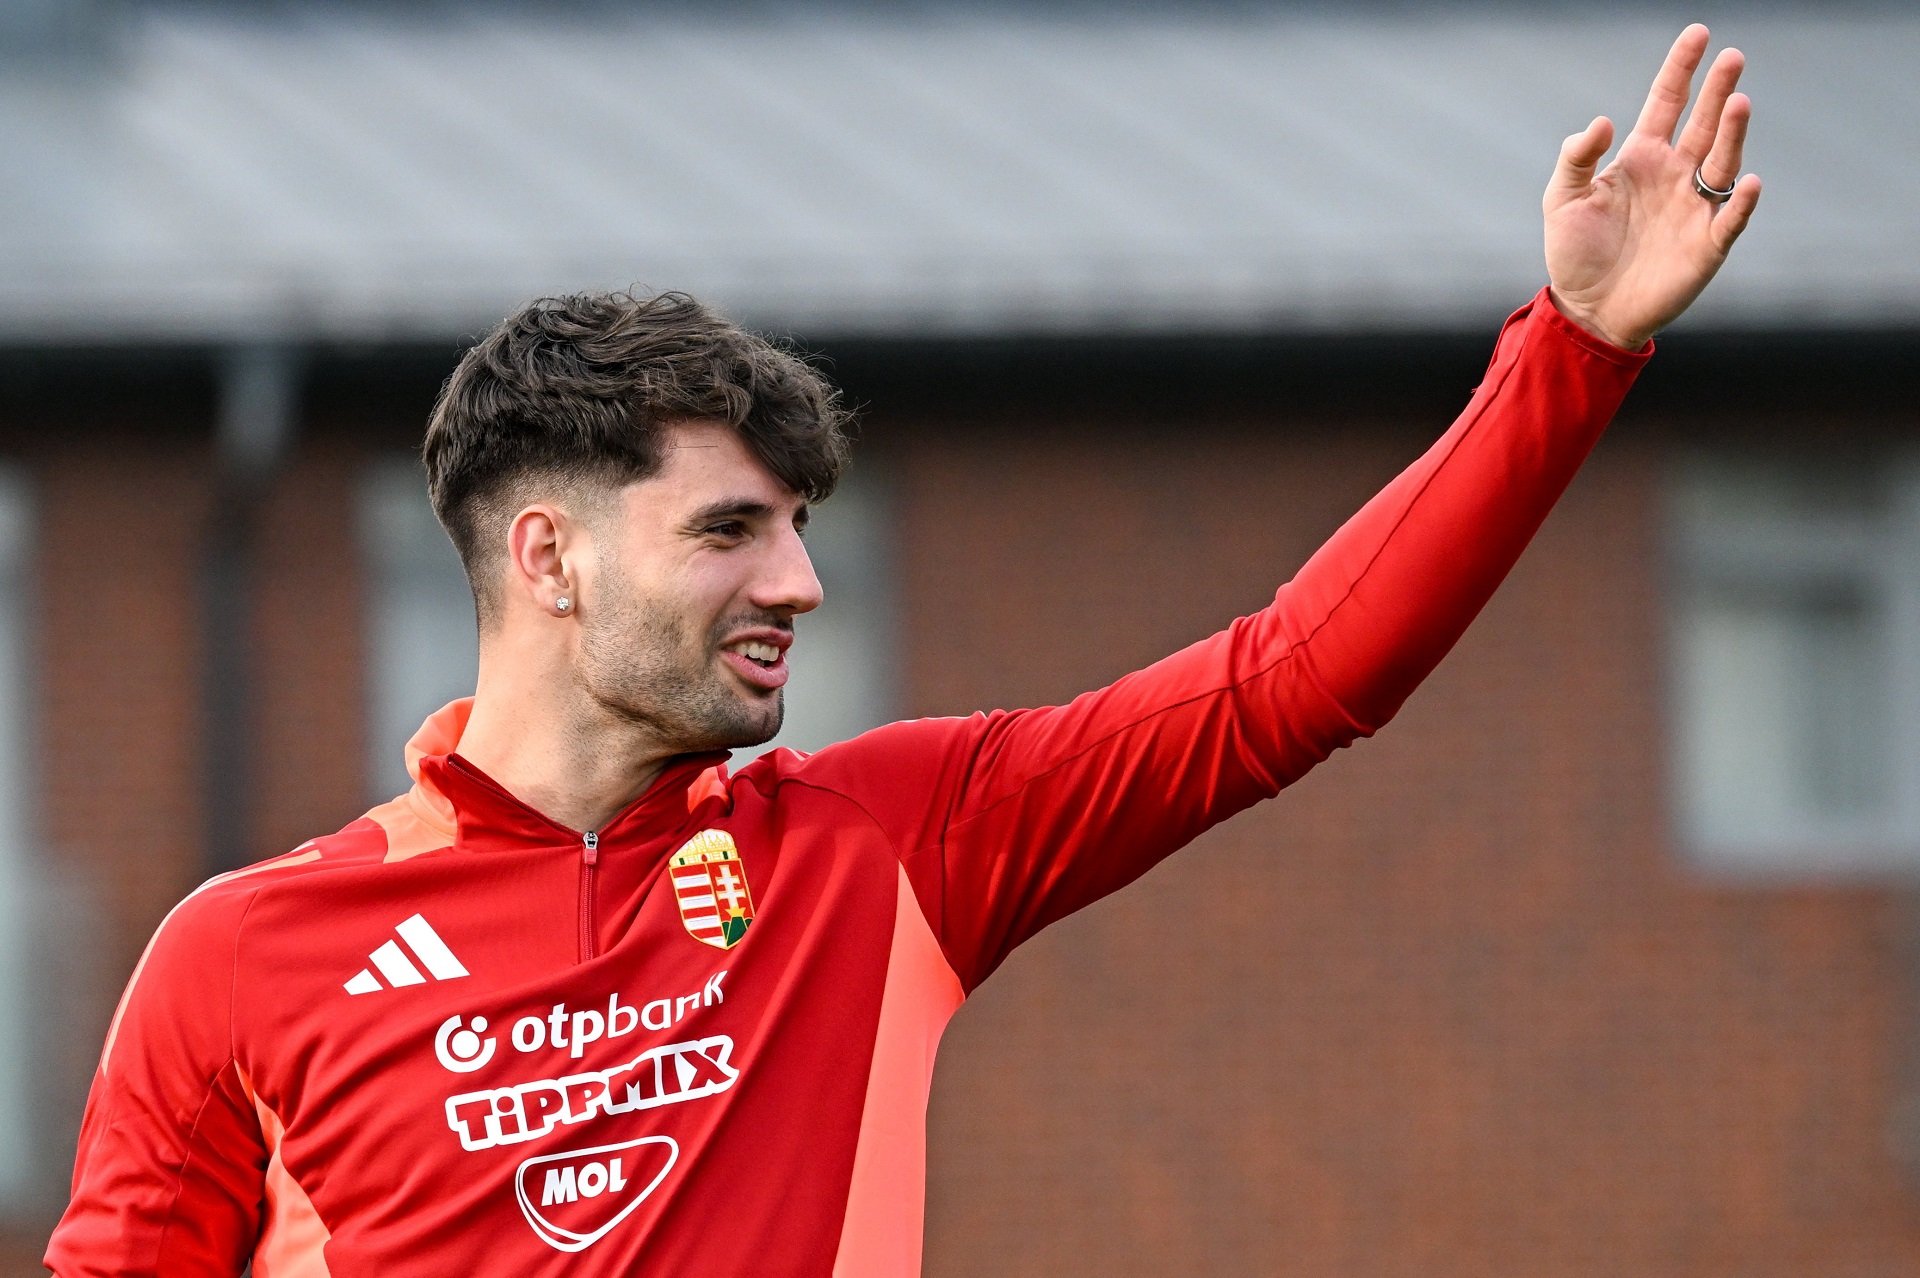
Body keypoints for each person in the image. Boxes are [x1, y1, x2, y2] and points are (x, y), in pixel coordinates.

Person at [46, 24, 1759, 1278]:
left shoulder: (885, 841)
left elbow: (1291, 680)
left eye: (802, 528)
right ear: (549, 557)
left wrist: (1572, 346)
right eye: (730, 530)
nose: (798, 583)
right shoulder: (239, 956)